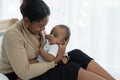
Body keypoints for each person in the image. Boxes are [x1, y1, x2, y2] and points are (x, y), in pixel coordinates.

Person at [0, 0, 115, 80]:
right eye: (40, 26)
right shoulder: (13, 36)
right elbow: (24, 72)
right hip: (19, 76)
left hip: (38, 63)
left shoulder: (36, 30)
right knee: (70, 69)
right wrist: (55, 61)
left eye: (45, 25)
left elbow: (47, 49)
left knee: (76, 54)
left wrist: (62, 56)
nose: (44, 29)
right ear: (26, 21)